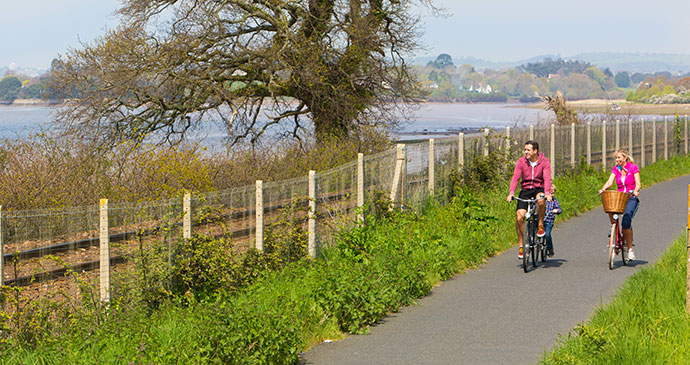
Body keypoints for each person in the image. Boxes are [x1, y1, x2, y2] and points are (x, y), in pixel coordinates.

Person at [506, 140, 552, 259]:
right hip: (525, 191)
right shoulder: (521, 162)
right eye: (525, 149)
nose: (525, 152)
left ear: (535, 151)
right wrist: (511, 193)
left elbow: (547, 178)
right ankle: (521, 245)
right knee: (519, 216)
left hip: (538, 189)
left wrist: (547, 193)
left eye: (528, 150)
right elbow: (515, 178)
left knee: (541, 200)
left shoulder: (544, 162)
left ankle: (540, 224)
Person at [598, 149, 641, 261]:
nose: (617, 160)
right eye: (616, 158)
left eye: (619, 158)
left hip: (630, 197)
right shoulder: (616, 169)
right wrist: (603, 189)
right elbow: (610, 182)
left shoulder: (633, 168)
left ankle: (630, 250)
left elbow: (638, 184)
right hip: (620, 197)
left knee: (626, 219)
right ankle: (614, 228)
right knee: (610, 208)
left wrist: (636, 191)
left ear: (625, 158)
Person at [544, 184, 562, 257]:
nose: (552, 195)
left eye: (553, 193)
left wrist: (556, 210)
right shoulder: (542, 201)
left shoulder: (554, 201)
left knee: (547, 234)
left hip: (549, 220)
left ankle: (550, 249)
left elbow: (559, 209)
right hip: (541, 220)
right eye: (551, 193)